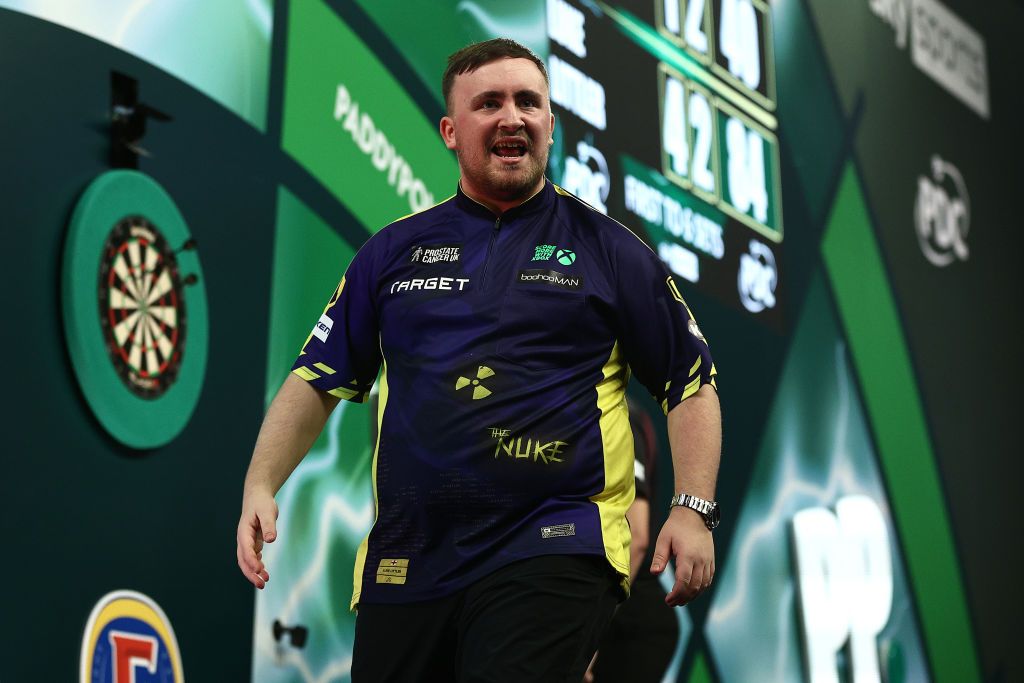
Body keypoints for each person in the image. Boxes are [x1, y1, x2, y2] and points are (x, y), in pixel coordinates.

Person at [236, 38, 722, 682]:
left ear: (550, 123)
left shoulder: (611, 251)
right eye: (488, 103)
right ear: (450, 130)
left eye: (528, 102)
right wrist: (260, 482)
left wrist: (692, 508)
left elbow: (691, 382)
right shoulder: (390, 254)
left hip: (553, 545)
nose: (511, 117)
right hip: (407, 561)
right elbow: (318, 377)